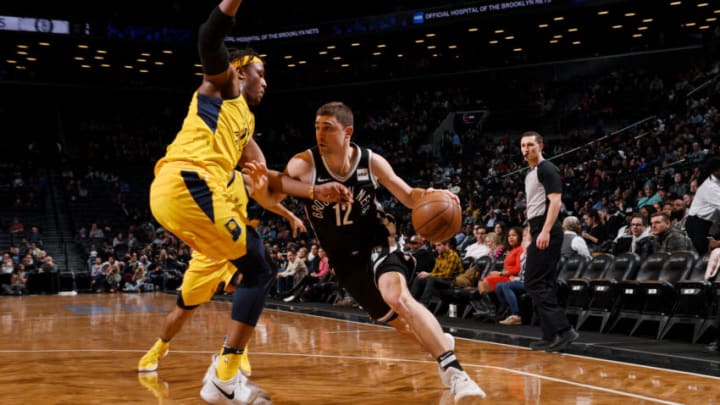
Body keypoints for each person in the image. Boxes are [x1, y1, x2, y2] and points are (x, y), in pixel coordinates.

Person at [138, 2, 350, 403]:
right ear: (239, 73)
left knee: (254, 267)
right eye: (260, 73)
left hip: (186, 194)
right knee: (257, 268)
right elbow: (208, 38)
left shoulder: (243, 125)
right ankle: (224, 371)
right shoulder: (223, 90)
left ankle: (230, 365)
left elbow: (267, 180)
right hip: (188, 184)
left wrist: (313, 193)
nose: (265, 82)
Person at [246, 101, 485, 401]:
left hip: (377, 239)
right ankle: (437, 339)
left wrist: (435, 195)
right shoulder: (303, 165)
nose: (319, 133)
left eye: (327, 127)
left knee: (397, 297)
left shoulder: (371, 162)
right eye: (317, 126)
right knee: (398, 322)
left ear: (347, 132)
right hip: (343, 259)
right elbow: (271, 197)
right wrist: (258, 191)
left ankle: (455, 372)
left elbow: (410, 196)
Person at [520, 131, 579, 352]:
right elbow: (532, 206)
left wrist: (544, 231)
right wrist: (530, 234)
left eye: (530, 145)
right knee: (543, 283)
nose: (526, 149)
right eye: (523, 146)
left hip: (549, 228)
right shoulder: (530, 174)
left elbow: (555, 202)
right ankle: (550, 334)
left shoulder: (547, 168)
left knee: (532, 282)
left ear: (540, 146)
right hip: (537, 228)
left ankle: (564, 330)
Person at [686, 156, 720, 255]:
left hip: (706, 223)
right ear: (716, 171)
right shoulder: (711, 187)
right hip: (697, 223)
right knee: (703, 254)